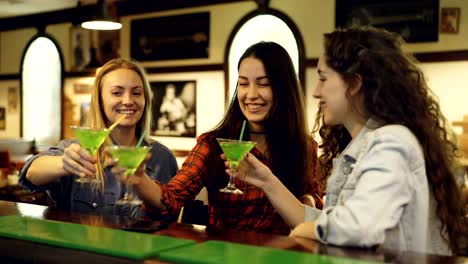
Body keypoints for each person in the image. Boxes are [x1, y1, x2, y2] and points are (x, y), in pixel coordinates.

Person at [229, 27, 467, 255]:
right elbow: (334, 222)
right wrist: (268, 182)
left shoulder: (393, 142)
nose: (316, 92)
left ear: (354, 84)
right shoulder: (360, 148)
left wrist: (305, 230)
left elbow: (359, 227)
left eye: (323, 78)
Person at [125, 41, 323, 234]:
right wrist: (141, 181)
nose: (251, 94)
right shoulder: (213, 145)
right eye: (243, 84)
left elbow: (315, 203)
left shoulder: (304, 147)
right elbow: (172, 199)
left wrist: (308, 200)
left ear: (284, 88)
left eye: (264, 84)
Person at [19, 58, 179, 218]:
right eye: (117, 93)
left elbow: (172, 213)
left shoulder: (162, 157)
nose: (128, 101)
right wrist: (64, 163)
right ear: (99, 101)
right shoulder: (77, 148)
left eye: (137, 93)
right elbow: (30, 173)